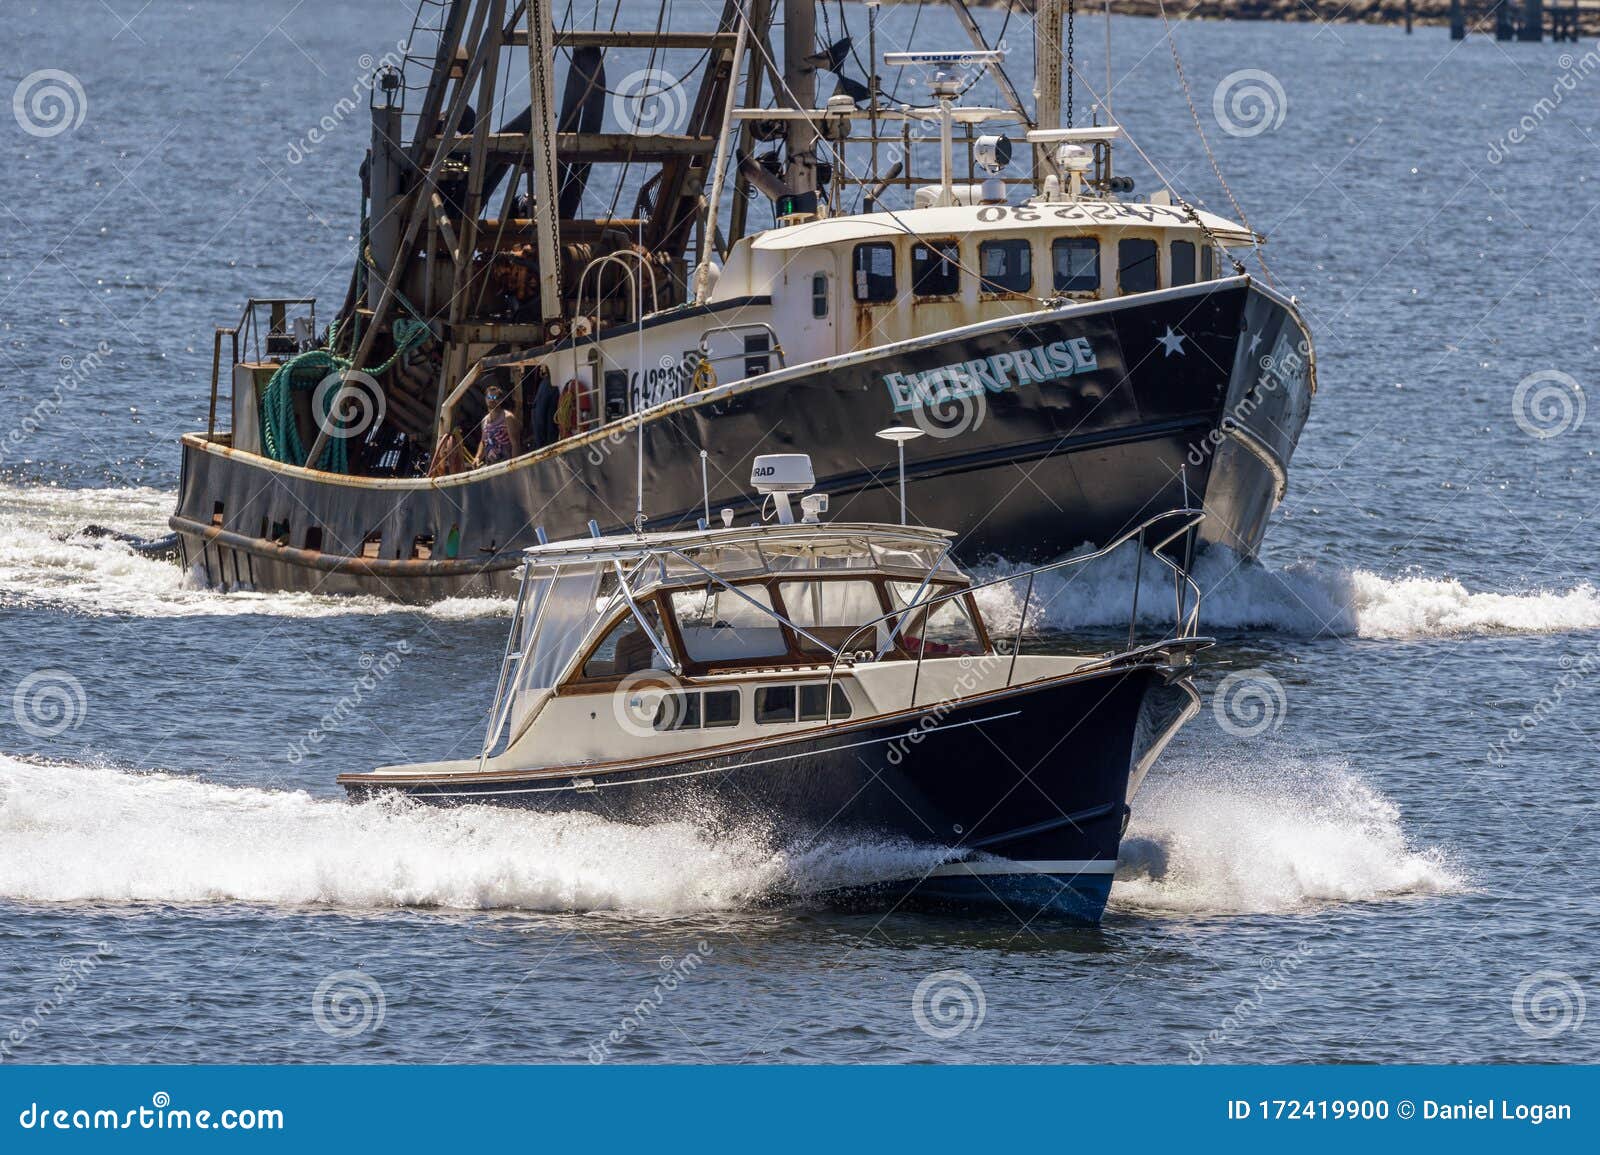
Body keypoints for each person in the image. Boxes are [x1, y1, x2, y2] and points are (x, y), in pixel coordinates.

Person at [478, 383, 522, 465]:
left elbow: (515, 444)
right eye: (489, 397)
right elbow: (483, 442)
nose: (492, 400)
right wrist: (478, 457)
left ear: (501, 400)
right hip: (491, 465)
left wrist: (515, 466)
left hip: (507, 464)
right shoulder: (484, 421)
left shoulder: (508, 418)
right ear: (485, 399)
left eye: (495, 398)